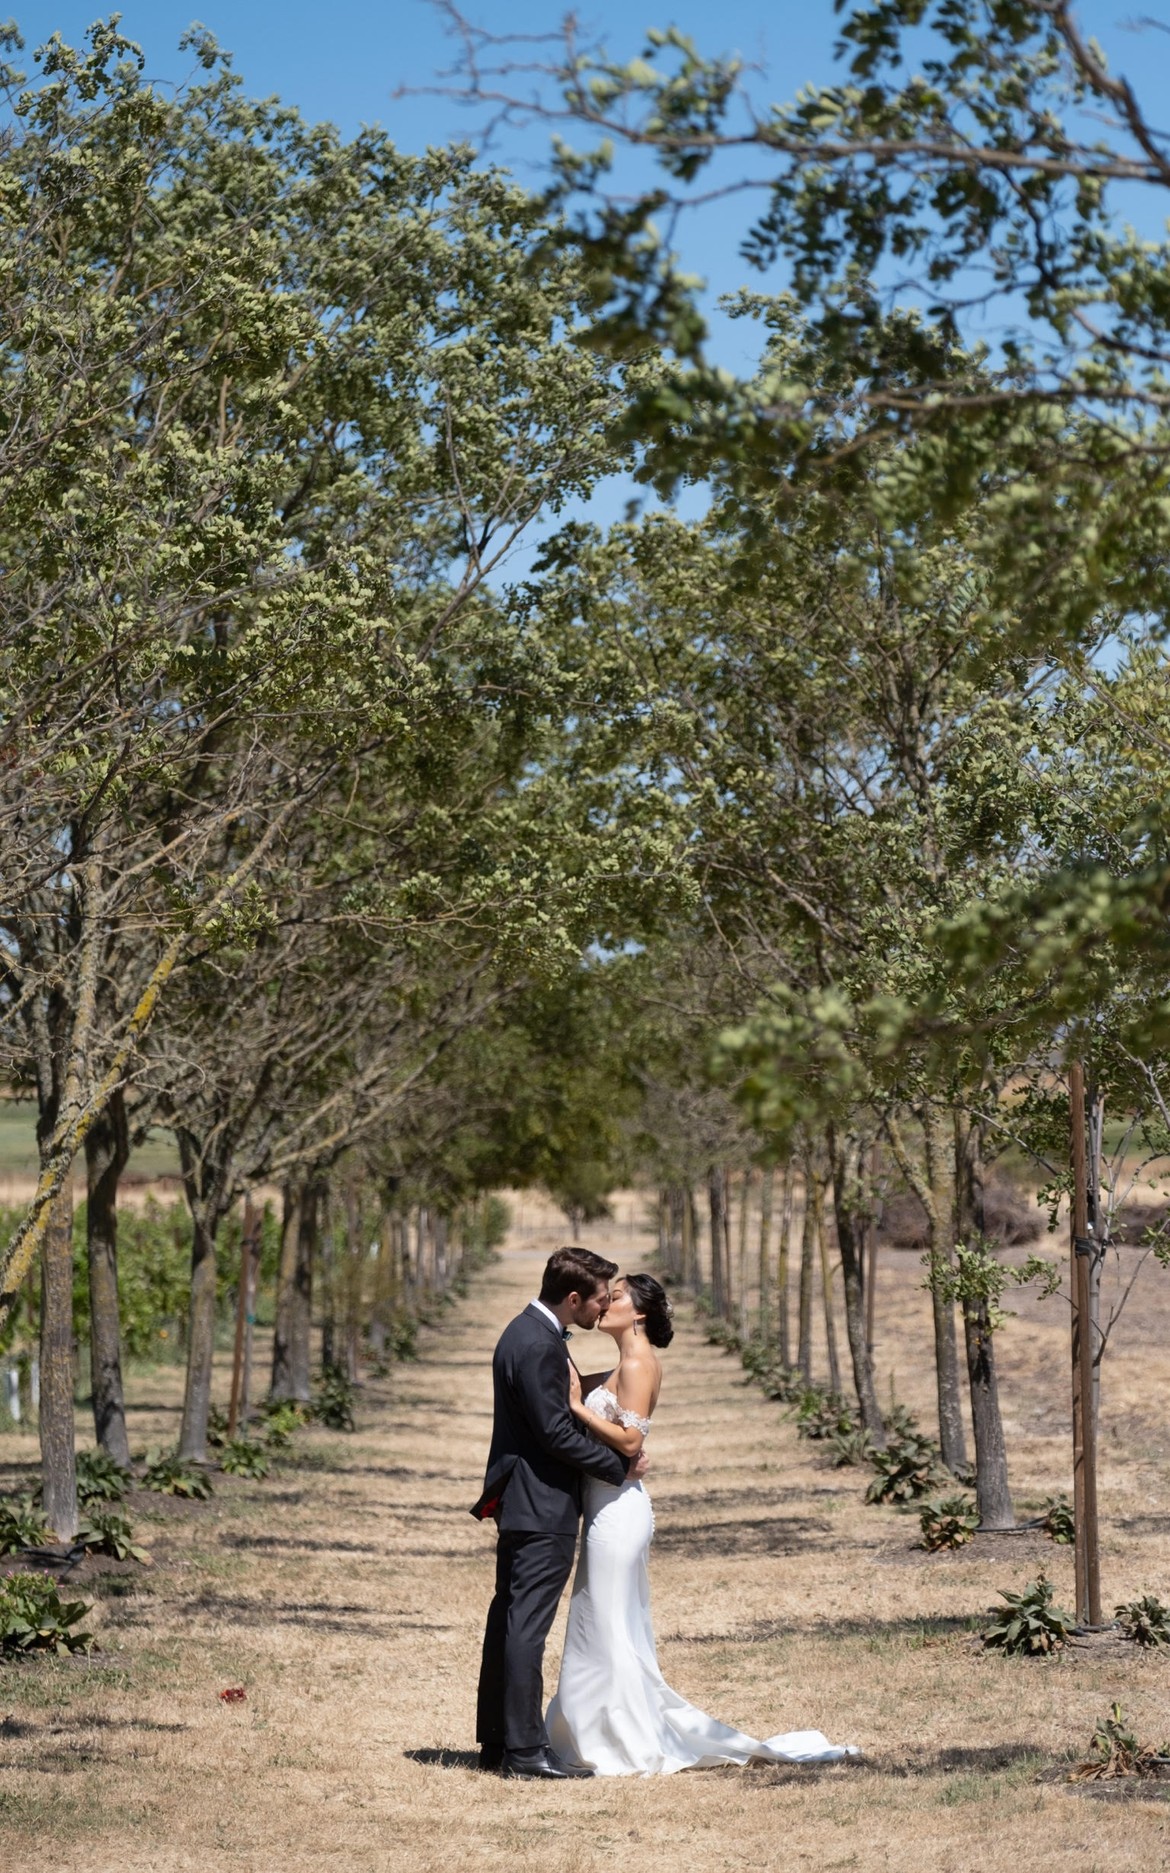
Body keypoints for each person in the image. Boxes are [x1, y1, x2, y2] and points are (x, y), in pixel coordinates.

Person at [546, 1271, 857, 1776]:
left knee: (606, 1621)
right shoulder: (624, 1362)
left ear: (639, 1313)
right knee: (601, 1622)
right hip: (604, 1504)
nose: (605, 1303)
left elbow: (628, 1442)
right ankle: (597, 1729)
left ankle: (622, 1738)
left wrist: (578, 1408)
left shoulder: (642, 1362)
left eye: (617, 1297)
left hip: (619, 1510)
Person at [471, 1246, 649, 1780]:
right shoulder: (539, 1345)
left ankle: (500, 1742)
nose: (602, 1307)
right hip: (541, 1502)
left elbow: (550, 1408)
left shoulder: (524, 1332)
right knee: (525, 1626)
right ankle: (525, 1754)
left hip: (523, 1500)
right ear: (573, 1298)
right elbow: (552, 1431)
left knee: (509, 1619)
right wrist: (619, 1466)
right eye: (598, 1298)